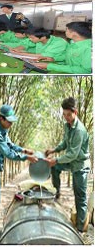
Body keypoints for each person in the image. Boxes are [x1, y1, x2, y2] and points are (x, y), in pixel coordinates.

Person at [0, 104, 38, 243]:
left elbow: (11, 145)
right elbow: (8, 153)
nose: (11, 124)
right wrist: (27, 158)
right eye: (9, 121)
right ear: (1, 118)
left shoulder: (3, 130)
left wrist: (24, 150)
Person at [44, 97, 90, 233]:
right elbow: (65, 144)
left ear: (75, 112)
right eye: (64, 115)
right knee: (54, 167)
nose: (66, 118)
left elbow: (73, 154)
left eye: (68, 115)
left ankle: (81, 230)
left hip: (80, 165)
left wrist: (56, 160)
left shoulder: (79, 130)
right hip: (70, 161)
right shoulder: (67, 126)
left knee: (80, 197)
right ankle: (57, 192)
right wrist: (54, 150)